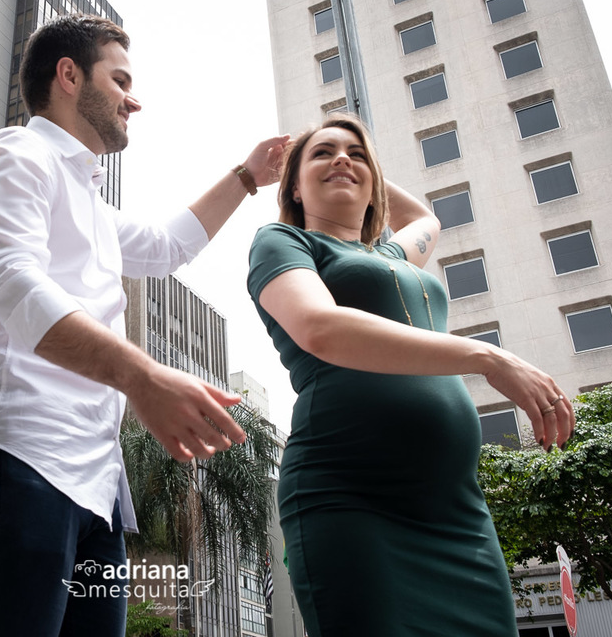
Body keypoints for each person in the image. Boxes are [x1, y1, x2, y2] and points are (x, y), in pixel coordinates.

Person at [0, 14, 288, 637]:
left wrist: (248, 176)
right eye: (120, 81)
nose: (133, 100)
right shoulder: (18, 154)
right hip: (9, 452)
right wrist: (142, 376)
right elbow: (10, 280)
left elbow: (167, 246)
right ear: (69, 75)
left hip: (94, 484)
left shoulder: (88, 199)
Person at [246, 113, 574, 636]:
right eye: (323, 154)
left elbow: (425, 217)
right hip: (352, 497)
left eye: (356, 154)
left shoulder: (392, 254)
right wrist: (489, 357)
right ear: (295, 188)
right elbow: (319, 327)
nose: (342, 159)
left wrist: (356, 163)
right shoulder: (284, 242)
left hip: (456, 511)